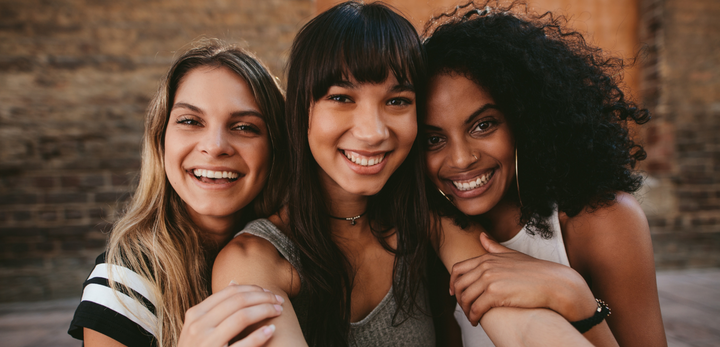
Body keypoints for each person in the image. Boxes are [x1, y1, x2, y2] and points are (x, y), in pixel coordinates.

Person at [214, 2, 596, 347]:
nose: (373, 132)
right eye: (342, 98)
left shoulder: (428, 221)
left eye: (397, 101)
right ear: (302, 111)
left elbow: (524, 326)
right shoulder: (252, 261)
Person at [421, 2, 667, 346]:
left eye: (483, 125)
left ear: (525, 120)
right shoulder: (432, 234)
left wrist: (573, 295)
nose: (461, 159)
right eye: (434, 139)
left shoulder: (603, 223)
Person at [67, 39, 290, 347]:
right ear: (161, 139)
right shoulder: (123, 285)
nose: (214, 146)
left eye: (243, 127)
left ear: (275, 148)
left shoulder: (297, 255)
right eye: (190, 121)